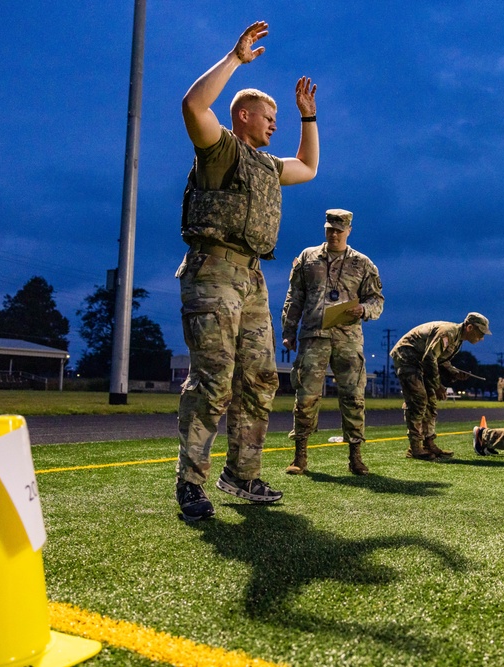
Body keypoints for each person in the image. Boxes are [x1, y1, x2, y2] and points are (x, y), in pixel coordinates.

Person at [174, 21, 320, 521]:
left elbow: (309, 166)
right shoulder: (221, 149)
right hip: (213, 271)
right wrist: (235, 58)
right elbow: (194, 106)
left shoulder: (267, 164)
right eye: (269, 114)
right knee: (214, 380)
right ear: (243, 115)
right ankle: (190, 484)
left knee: (259, 379)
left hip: (252, 277)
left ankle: (242, 474)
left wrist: (309, 117)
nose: (274, 122)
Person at [280, 209, 384, 476]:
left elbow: (377, 300)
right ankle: (300, 456)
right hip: (314, 337)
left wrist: (364, 309)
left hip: (348, 339)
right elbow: (295, 297)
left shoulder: (363, 263)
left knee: (354, 398)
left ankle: (355, 457)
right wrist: (288, 331)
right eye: (330, 229)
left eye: (339, 230)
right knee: (305, 397)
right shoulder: (308, 257)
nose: (334, 234)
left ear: (349, 230)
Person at [390, 314, 491, 460]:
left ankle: (428, 443)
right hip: (408, 358)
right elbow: (430, 358)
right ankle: (415, 447)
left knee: (431, 403)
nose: (481, 338)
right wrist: (437, 385)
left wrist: (454, 372)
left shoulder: (457, 340)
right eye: (480, 333)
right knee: (418, 399)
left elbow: (440, 360)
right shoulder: (447, 333)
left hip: (421, 362)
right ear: (470, 327)